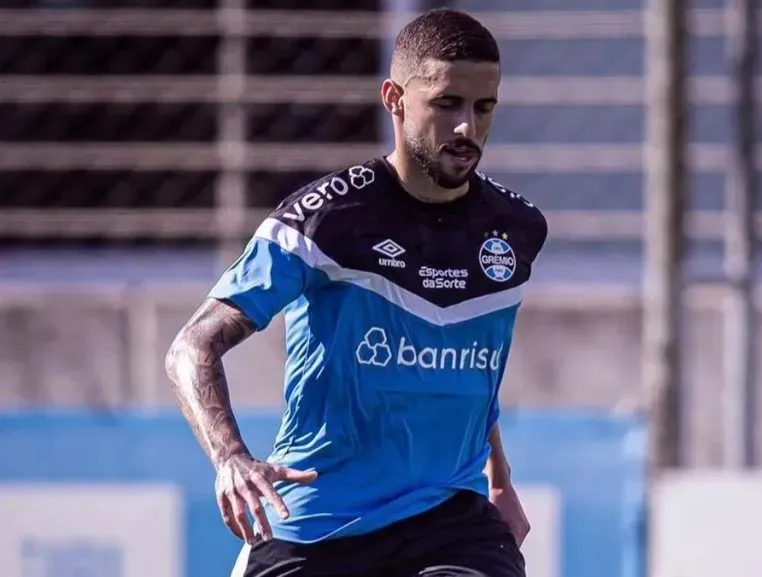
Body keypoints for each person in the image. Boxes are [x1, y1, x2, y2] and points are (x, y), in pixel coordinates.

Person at [164, 7, 547, 577]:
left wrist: (500, 480)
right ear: (394, 98)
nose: (468, 127)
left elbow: (471, 370)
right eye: (447, 104)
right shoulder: (324, 220)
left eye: (483, 107)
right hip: (315, 523)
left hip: (449, 521)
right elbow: (190, 348)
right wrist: (231, 460)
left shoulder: (516, 228)